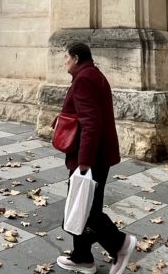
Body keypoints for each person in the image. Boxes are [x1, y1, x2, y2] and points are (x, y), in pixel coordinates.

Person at [56, 41, 136, 274]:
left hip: (91, 157)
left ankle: (121, 245)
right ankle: (82, 257)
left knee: (87, 211)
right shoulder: (91, 74)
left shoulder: (84, 79)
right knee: (82, 207)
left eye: (67, 57)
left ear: (77, 58)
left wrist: (84, 162)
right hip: (95, 155)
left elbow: (91, 123)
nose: (65, 61)